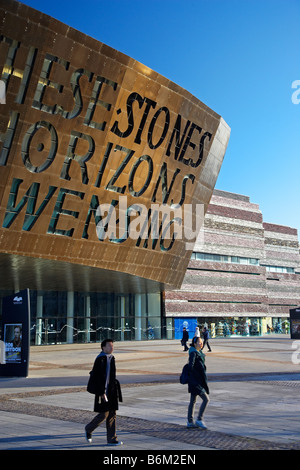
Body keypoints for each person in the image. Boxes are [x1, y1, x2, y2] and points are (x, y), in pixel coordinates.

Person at [85, 339, 123, 445]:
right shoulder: (100, 359)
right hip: (103, 391)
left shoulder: (111, 358)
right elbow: (98, 377)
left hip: (111, 391)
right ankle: (89, 429)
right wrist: (102, 392)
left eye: (112, 346)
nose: (111, 348)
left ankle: (112, 439)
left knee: (112, 414)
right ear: (103, 347)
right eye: (109, 346)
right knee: (104, 414)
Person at [187, 336, 210, 429]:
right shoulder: (193, 353)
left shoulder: (198, 352)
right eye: (199, 342)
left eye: (201, 342)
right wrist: (194, 378)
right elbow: (190, 367)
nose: (201, 344)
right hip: (196, 381)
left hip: (196, 380)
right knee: (206, 399)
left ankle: (190, 421)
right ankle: (199, 419)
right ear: (195, 343)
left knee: (193, 401)